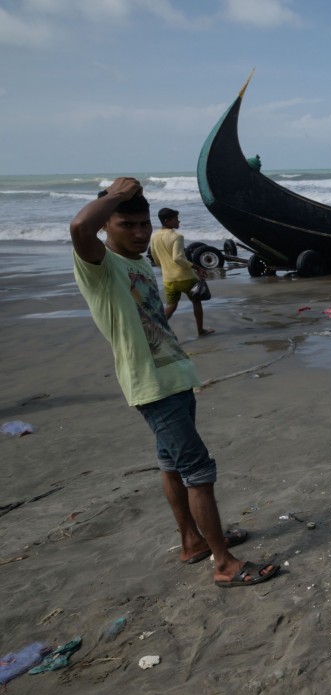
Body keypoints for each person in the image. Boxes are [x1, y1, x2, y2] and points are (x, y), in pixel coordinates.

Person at [69, 177, 279, 588]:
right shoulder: (99, 265)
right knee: (198, 470)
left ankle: (193, 541)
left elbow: (152, 317)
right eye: (125, 225)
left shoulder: (139, 263)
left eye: (142, 224)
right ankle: (223, 563)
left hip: (174, 376)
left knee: (172, 465)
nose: (138, 233)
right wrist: (113, 196)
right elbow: (78, 228)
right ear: (105, 228)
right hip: (152, 385)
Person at [149, 208, 213, 336]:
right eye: (176, 219)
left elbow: (155, 259)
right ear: (167, 221)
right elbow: (178, 258)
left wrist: (166, 266)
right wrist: (197, 267)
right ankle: (200, 330)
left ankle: (155, 330)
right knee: (196, 302)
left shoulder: (154, 236)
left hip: (168, 279)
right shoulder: (176, 236)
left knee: (171, 307)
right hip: (185, 277)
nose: (179, 221)